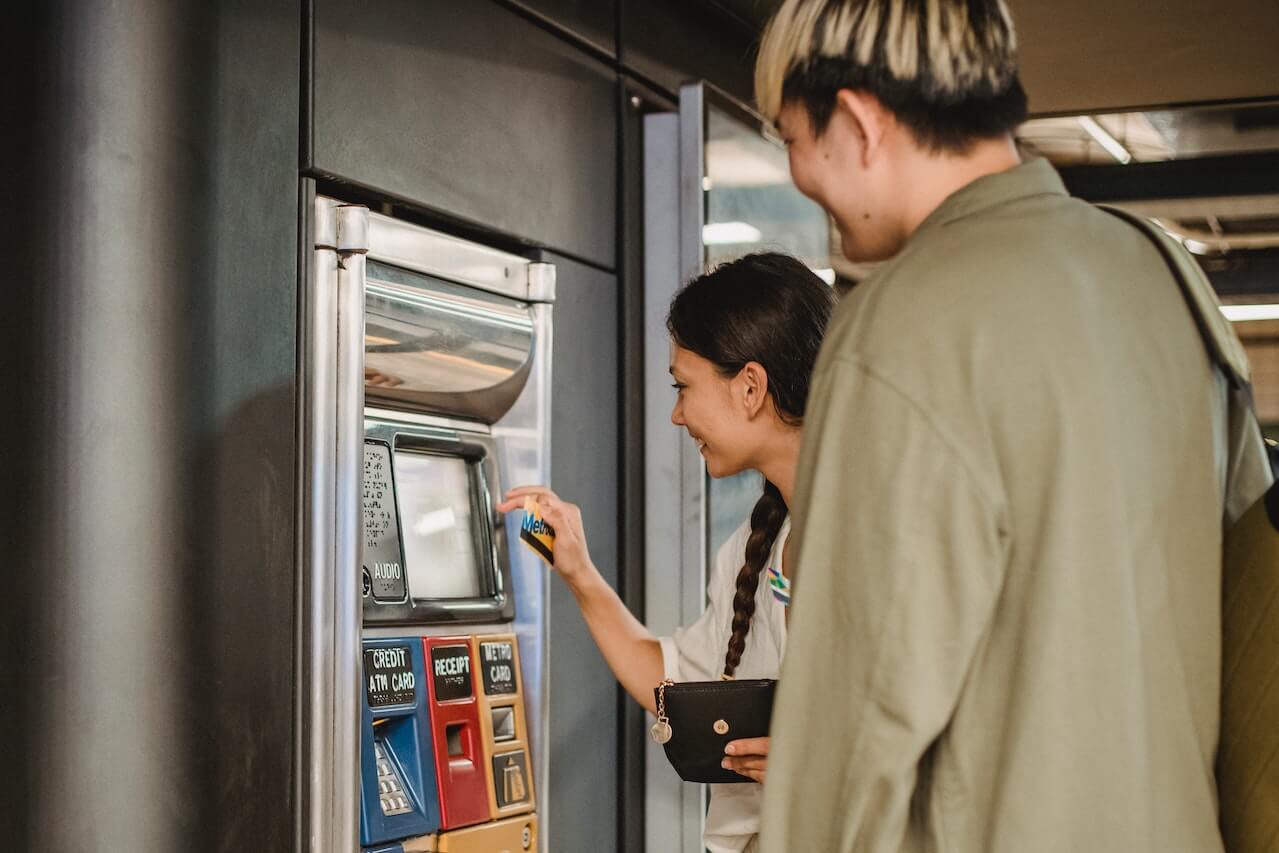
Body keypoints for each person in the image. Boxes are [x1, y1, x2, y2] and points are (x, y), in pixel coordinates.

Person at [751, 1, 1272, 852]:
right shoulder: (1163, 277)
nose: (800, 176)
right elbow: (1244, 604)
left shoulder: (900, 326)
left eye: (790, 139)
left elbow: (849, 735)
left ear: (856, 121)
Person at [498, 252, 835, 853]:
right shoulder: (754, 552)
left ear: (750, 387)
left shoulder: (888, 539)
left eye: (684, 386)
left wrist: (826, 768)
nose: (677, 415)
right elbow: (674, 682)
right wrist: (579, 572)